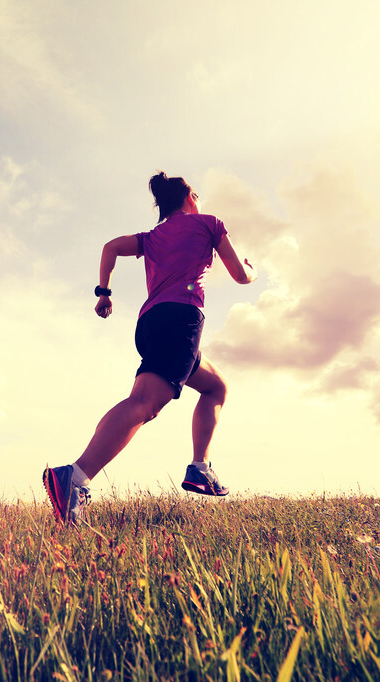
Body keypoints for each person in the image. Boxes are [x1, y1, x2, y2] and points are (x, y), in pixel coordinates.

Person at [43, 171, 257, 525]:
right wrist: (251, 269)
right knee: (145, 403)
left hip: (152, 322)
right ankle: (75, 477)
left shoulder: (152, 236)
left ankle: (199, 468)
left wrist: (104, 293)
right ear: (189, 197)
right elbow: (239, 274)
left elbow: (110, 247)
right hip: (181, 320)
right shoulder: (208, 223)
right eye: (197, 196)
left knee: (215, 386)